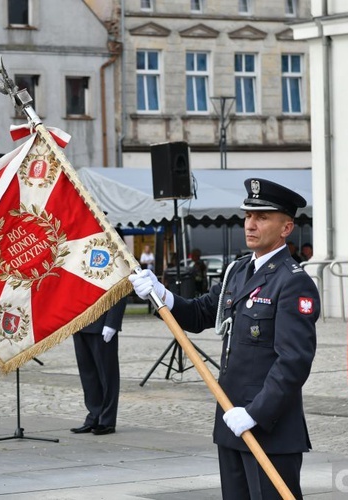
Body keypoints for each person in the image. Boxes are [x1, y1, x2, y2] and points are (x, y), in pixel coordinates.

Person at [129, 178, 319, 499]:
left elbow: (293, 363)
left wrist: (255, 414)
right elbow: (200, 313)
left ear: (286, 228)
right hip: (231, 420)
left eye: (262, 218)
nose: (251, 225)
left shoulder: (292, 282)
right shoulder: (238, 271)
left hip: (267, 427)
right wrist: (161, 294)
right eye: (247, 216)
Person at [70, 297, 127, 436]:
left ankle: (107, 421)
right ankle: (94, 416)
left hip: (102, 321)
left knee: (107, 375)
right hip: (79, 320)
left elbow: (120, 288)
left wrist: (112, 322)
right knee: (87, 374)